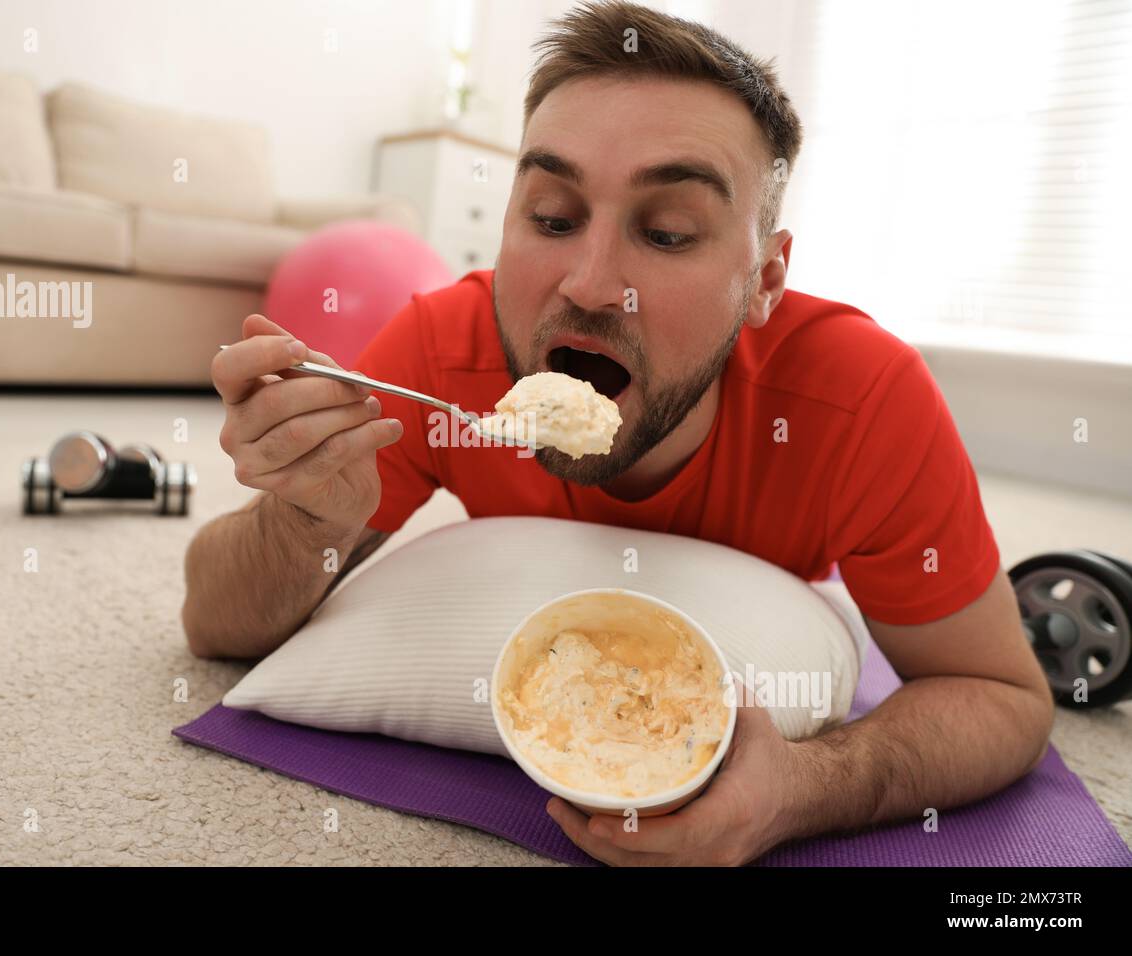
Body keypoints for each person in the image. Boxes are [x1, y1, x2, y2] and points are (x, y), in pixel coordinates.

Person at [183, 0, 1053, 866]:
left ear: (765, 278)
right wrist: (306, 522)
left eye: (667, 232)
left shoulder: (861, 402)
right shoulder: (437, 355)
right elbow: (213, 625)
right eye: (553, 218)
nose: (592, 285)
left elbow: (999, 694)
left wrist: (804, 789)